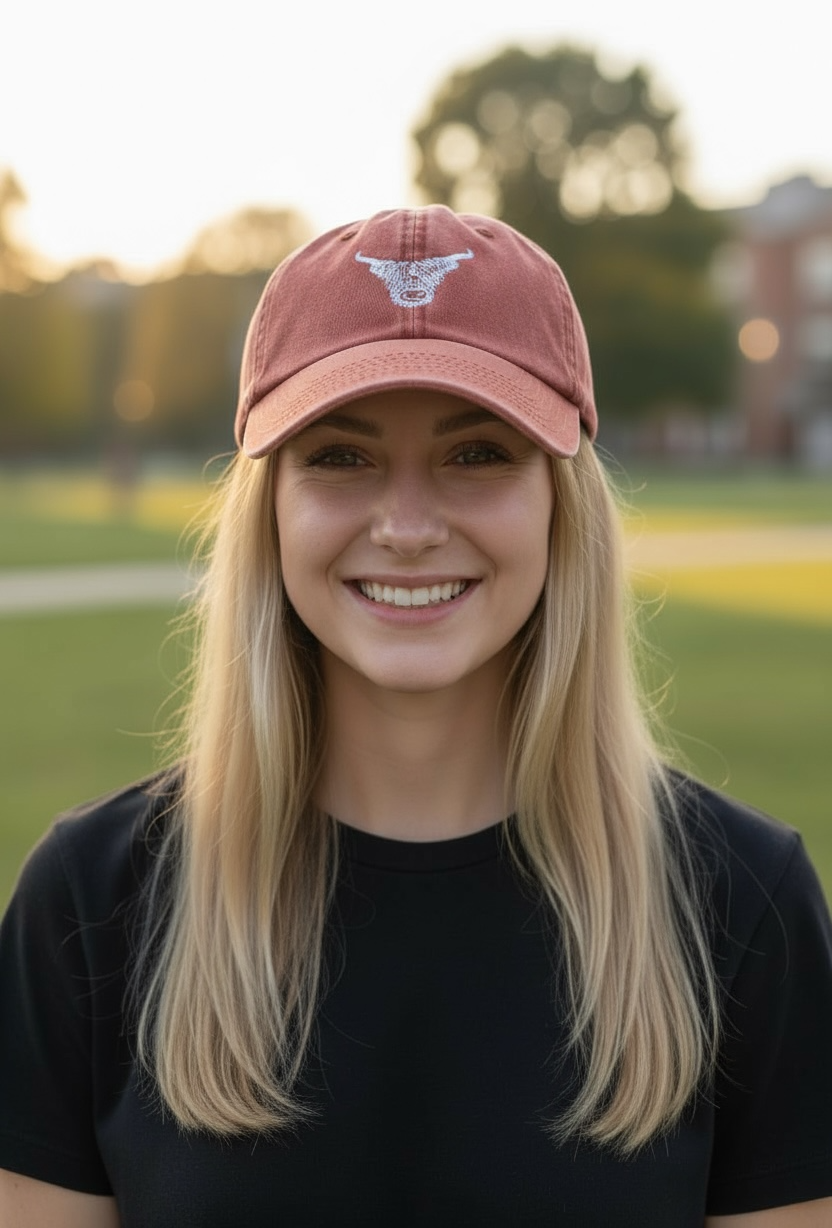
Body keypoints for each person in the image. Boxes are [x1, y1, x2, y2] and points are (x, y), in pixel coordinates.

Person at [1, 206, 830, 1228]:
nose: (403, 527)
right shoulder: (91, 903)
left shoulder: (741, 907)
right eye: (339, 457)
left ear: (559, 502)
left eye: (477, 454)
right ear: (270, 508)